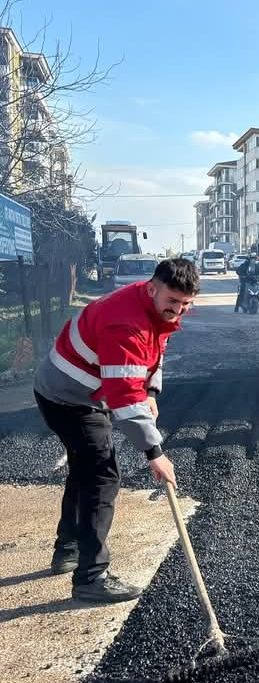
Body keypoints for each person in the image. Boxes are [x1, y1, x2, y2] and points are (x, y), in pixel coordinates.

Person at [33, 258, 199, 603]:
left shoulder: (152, 307)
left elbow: (156, 349)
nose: (178, 311)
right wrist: (155, 453)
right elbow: (123, 397)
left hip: (78, 390)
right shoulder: (126, 324)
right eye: (172, 302)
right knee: (101, 475)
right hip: (69, 396)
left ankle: (68, 549)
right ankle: (91, 578)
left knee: (84, 468)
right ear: (152, 288)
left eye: (185, 304)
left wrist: (151, 390)